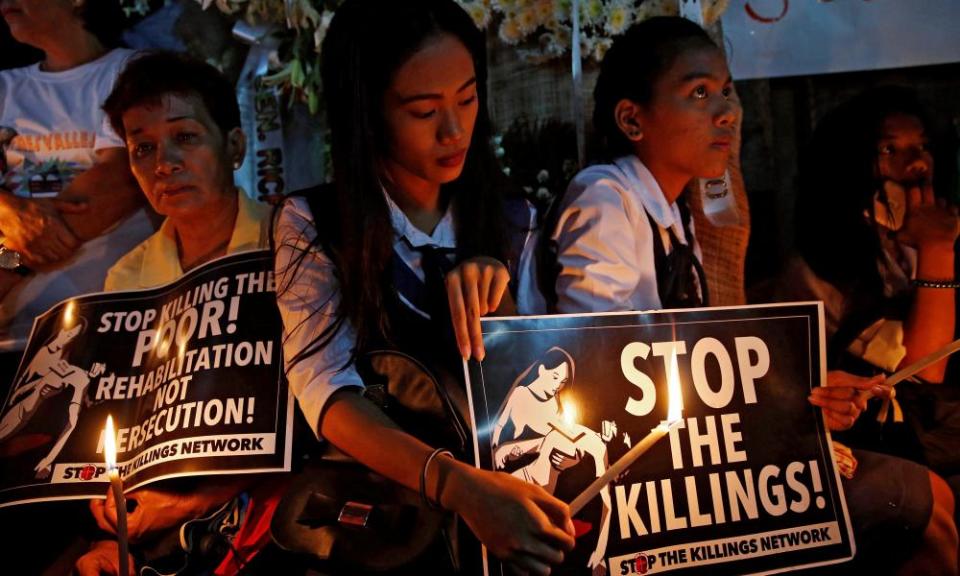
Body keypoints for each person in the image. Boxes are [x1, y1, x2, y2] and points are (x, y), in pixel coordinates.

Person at [546, 17, 957, 574]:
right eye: (698, 93)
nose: (726, 113)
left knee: (931, 503)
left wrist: (806, 391)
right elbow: (609, 371)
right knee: (921, 505)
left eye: (728, 91)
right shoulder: (604, 200)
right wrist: (778, 407)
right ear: (631, 119)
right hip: (637, 485)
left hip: (687, 457)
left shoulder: (675, 215)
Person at [274, 0, 574, 573]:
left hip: (509, 521)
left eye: (466, 98)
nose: (454, 129)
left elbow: (546, 378)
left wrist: (502, 307)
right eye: (422, 110)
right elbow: (327, 395)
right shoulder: (314, 224)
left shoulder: (515, 219)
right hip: (387, 530)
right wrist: (459, 487)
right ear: (367, 113)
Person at [73, 51, 280, 576]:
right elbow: (126, 424)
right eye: (143, 148)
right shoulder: (128, 278)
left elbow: (309, 425)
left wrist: (191, 504)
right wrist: (117, 510)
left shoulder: (289, 246)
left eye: (185, 137)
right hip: (167, 521)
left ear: (234, 146)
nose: (163, 163)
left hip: (272, 507)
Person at [0, 0, 153, 354]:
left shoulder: (132, 72)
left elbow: (112, 189)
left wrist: (9, 263)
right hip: (11, 337)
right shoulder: (7, 88)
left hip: (105, 327)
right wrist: (8, 208)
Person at [491, 346, 616, 572]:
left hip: (552, 486)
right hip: (517, 478)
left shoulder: (556, 403)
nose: (557, 386)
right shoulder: (520, 396)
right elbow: (497, 439)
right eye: (555, 377)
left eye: (562, 382)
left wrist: (580, 453)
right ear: (541, 370)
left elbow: (563, 438)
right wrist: (510, 449)